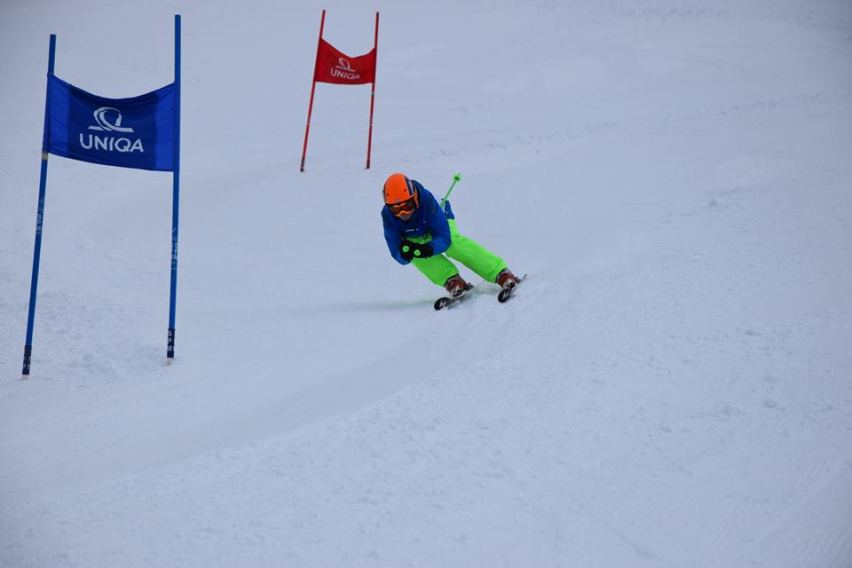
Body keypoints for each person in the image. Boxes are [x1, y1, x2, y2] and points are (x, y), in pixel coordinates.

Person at [381, 172, 519, 297]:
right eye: (395, 209)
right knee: (414, 252)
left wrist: (429, 248)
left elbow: (444, 238)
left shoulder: (427, 201)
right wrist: (404, 254)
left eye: (407, 206)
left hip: (440, 220)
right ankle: (452, 280)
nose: (403, 213)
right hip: (415, 232)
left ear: (415, 198)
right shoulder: (388, 216)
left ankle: (499, 272)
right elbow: (395, 250)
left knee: (453, 243)